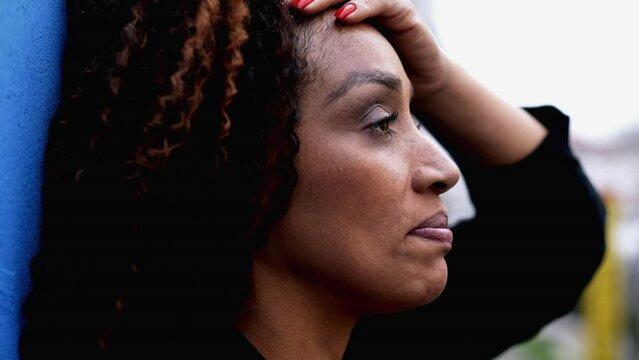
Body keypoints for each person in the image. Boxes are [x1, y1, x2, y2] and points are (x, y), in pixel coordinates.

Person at [19, 0, 605, 359]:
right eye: (381, 122)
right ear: (245, 164)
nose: (443, 169)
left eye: (420, 117)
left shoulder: (378, 342)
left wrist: (437, 75)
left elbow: (556, 236)